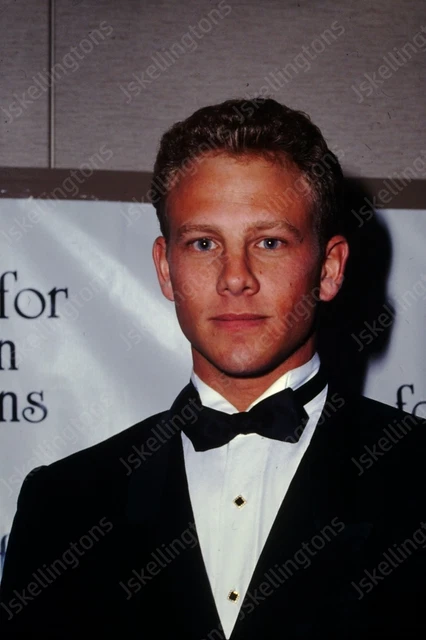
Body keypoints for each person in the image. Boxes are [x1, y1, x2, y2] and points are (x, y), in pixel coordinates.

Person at [0, 97, 425, 639]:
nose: (235, 277)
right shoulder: (62, 505)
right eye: (204, 243)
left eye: (269, 242)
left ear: (328, 268)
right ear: (166, 268)